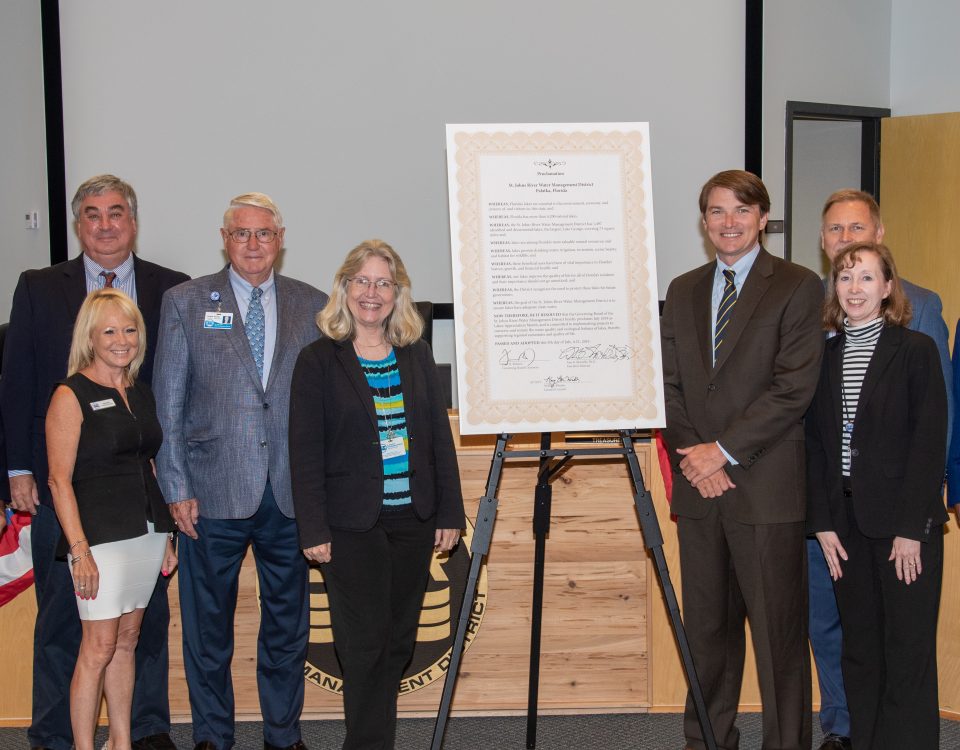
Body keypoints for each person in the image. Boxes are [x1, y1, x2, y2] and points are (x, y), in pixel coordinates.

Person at [0, 175, 188, 750]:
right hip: (66, 488)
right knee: (63, 618)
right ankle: (56, 735)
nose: (105, 224)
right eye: (91, 214)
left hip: (141, 494)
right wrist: (16, 471)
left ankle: (145, 730)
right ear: (79, 224)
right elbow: (18, 382)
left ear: (133, 220)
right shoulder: (38, 286)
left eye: (115, 213)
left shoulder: (171, 289)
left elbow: (176, 393)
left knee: (141, 625)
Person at [153, 192, 327, 750]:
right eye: (241, 234)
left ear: (280, 239)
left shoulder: (314, 304)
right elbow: (167, 404)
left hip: (288, 495)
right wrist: (175, 487)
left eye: (264, 234)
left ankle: (283, 734)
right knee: (208, 631)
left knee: (286, 627)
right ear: (224, 239)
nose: (253, 244)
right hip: (209, 492)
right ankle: (212, 737)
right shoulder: (184, 301)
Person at [660, 170, 823, 750]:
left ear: (762, 217)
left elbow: (793, 388)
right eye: (716, 212)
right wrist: (697, 461)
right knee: (707, 639)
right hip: (700, 492)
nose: (728, 222)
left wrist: (722, 453)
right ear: (703, 222)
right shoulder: (682, 289)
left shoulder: (799, 286)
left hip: (765, 487)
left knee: (778, 643)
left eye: (740, 210)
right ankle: (707, 741)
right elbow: (669, 387)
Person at [289, 239, 465, 750]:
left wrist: (449, 511)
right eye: (362, 281)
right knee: (363, 645)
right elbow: (304, 453)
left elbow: (437, 438)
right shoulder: (318, 361)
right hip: (350, 527)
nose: (372, 293)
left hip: (412, 520)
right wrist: (313, 528)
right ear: (344, 289)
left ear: (398, 293)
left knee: (397, 645)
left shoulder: (415, 356)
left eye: (383, 283)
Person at [808, 188, 953, 750]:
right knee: (860, 651)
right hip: (843, 529)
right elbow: (815, 446)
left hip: (902, 530)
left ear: (888, 286)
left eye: (867, 276)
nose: (855, 288)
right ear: (833, 285)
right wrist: (821, 523)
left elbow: (927, 442)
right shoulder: (823, 355)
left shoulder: (914, 349)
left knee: (906, 652)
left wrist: (912, 528)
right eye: (845, 278)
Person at [45, 289, 177, 750]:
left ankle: (121, 742)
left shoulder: (139, 391)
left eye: (129, 329)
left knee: (127, 640)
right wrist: (78, 551)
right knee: (97, 648)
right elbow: (59, 482)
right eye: (110, 331)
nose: (122, 339)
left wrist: (166, 533)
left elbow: (151, 465)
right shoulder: (71, 393)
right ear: (90, 337)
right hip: (98, 541)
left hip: (144, 534)